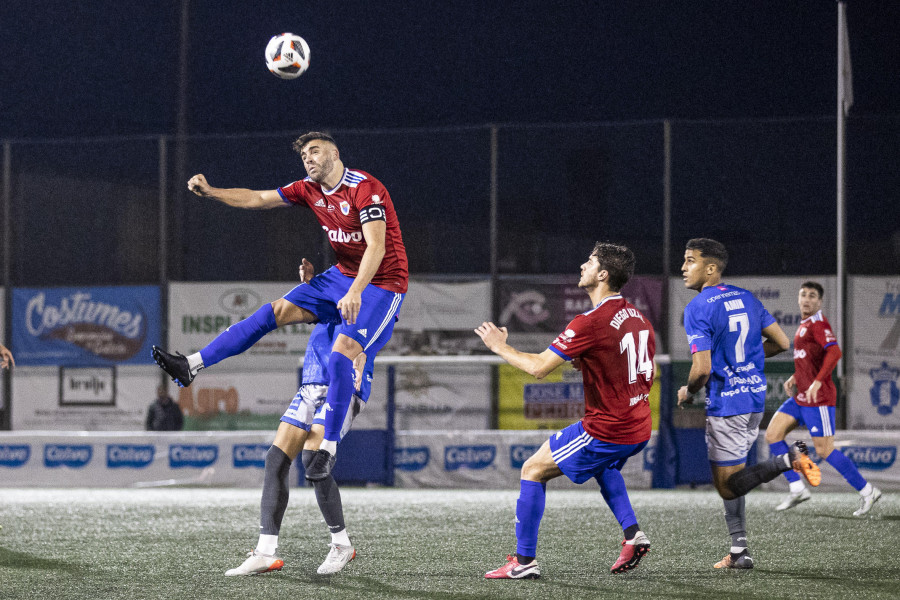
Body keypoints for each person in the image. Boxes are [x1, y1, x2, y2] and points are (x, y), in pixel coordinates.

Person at [151, 131, 407, 484]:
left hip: (382, 283)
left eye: (315, 152)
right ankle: (191, 365)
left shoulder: (366, 188)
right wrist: (212, 192)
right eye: (304, 155)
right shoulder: (309, 189)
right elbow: (258, 198)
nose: (309, 159)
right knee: (272, 312)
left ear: (334, 153)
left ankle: (327, 448)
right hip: (342, 276)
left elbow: (376, 248)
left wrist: (356, 291)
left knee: (341, 355)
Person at [476, 242, 655, 579]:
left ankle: (523, 562)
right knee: (603, 468)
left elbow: (539, 368)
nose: (582, 265)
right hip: (639, 424)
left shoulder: (590, 321)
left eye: (589, 261)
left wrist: (500, 346)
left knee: (532, 469)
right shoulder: (638, 317)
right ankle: (633, 535)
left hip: (608, 428)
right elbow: (648, 373)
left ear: (603, 274)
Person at [226, 259, 383, 577]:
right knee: (276, 458)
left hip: (342, 390)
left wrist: (360, 364)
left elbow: (364, 344)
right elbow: (313, 307)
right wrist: (312, 284)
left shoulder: (375, 303)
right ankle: (265, 552)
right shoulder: (335, 299)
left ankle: (342, 545)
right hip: (310, 386)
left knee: (313, 456)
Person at [676, 238, 821, 570]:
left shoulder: (698, 307)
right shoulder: (746, 297)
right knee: (737, 476)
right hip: (754, 399)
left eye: (690, 260)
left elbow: (701, 369)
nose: (684, 267)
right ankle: (739, 550)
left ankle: (790, 458)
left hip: (727, 404)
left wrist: (688, 391)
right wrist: (749, 361)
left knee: (728, 488)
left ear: (711, 268)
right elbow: (782, 342)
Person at [765, 281, 882, 516]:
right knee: (772, 435)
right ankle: (797, 487)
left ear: (819, 302)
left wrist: (818, 381)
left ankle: (867, 491)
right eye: (803, 295)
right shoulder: (804, 324)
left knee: (825, 450)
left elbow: (834, 351)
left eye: (812, 296)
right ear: (798, 299)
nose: (807, 299)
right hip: (801, 397)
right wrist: (794, 376)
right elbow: (809, 358)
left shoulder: (818, 323)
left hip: (818, 398)